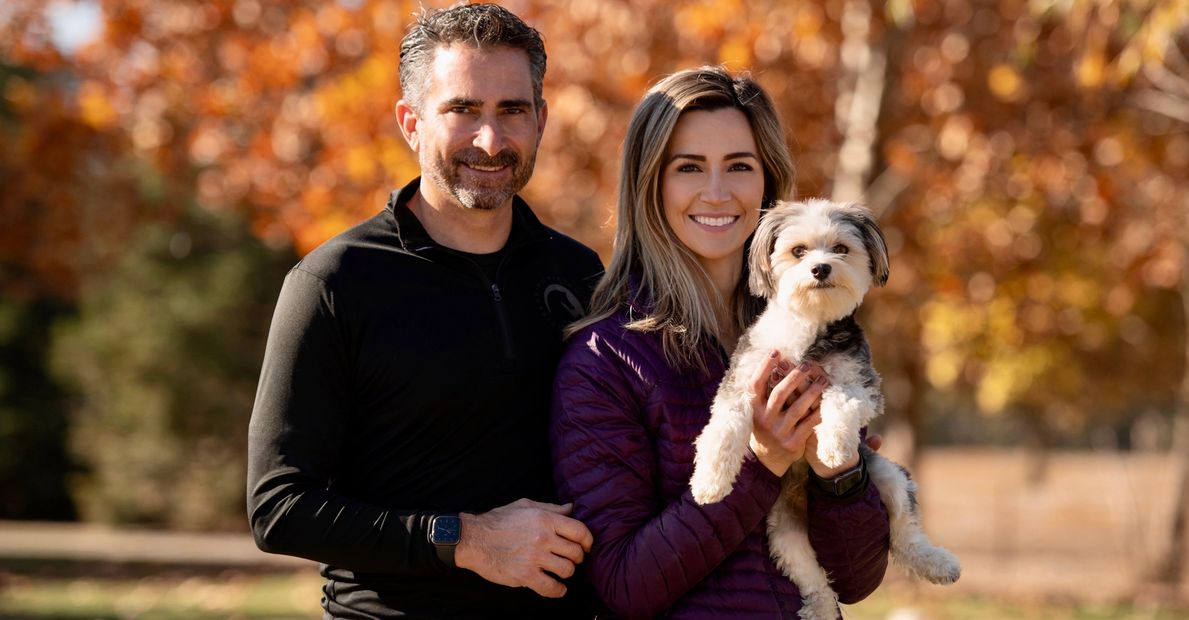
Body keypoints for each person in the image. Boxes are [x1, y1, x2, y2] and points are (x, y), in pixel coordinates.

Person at [246, 4, 603, 618]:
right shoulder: (335, 281)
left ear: (541, 121)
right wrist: (465, 540)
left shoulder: (581, 274)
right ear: (411, 122)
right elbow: (279, 507)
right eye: (462, 110)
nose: (490, 141)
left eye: (512, 110)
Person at [549, 66, 891, 619]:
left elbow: (855, 580)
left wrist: (842, 478)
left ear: (768, 182)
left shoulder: (822, 336)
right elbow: (620, 586)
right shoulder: (605, 359)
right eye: (688, 168)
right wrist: (762, 461)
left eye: (739, 166)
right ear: (651, 183)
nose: (716, 192)